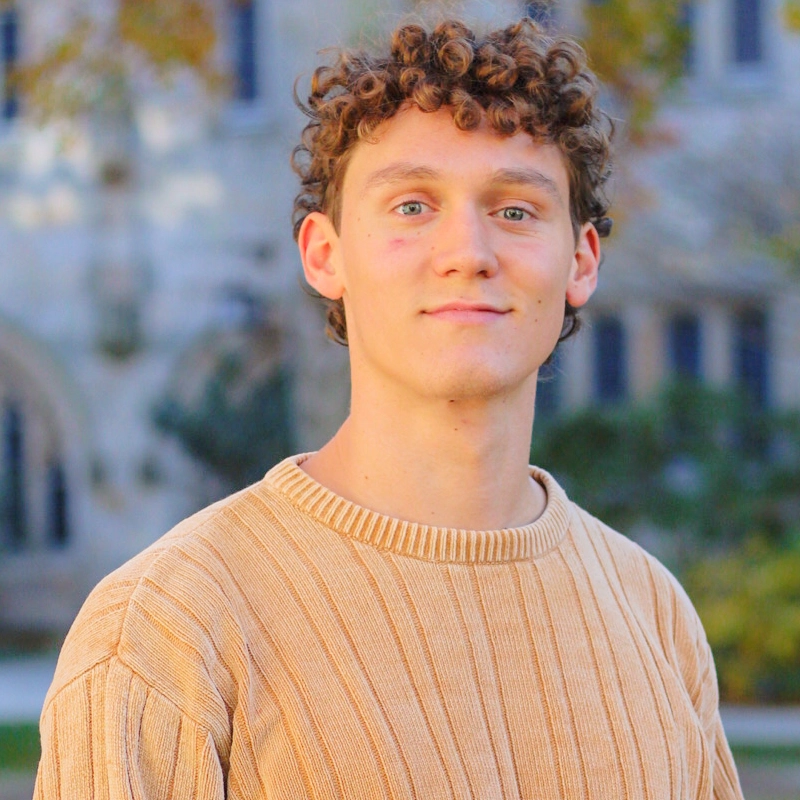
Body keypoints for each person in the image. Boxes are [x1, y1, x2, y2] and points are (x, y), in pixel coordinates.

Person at [35, 17, 744, 799]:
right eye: (412, 206)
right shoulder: (167, 632)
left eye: (515, 210)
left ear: (580, 261)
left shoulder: (652, 614)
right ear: (325, 255)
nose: (467, 252)